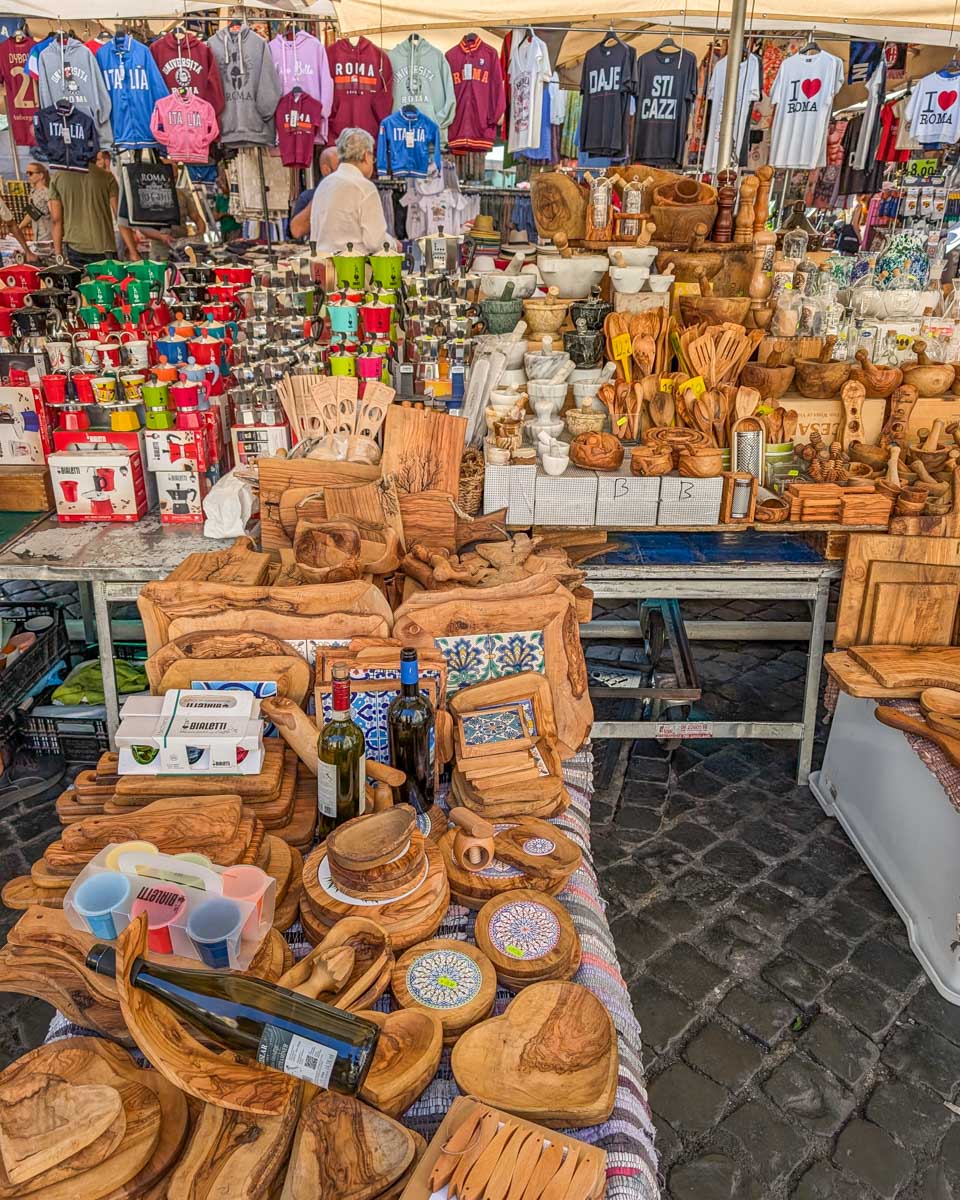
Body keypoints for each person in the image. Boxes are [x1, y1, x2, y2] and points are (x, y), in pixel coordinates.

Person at [290, 128, 388, 251]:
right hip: (355, 266)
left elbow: (315, 235)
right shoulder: (365, 188)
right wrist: (393, 243)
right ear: (366, 156)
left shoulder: (324, 185)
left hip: (323, 264)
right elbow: (376, 242)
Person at [48, 162, 119, 267]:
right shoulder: (106, 176)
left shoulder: (57, 177)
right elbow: (118, 214)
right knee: (108, 282)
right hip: (105, 246)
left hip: (75, 246)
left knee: (81, 282)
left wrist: (59, 254)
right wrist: (132, 248)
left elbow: (56, 220)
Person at [118, 188, 206, 261]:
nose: (174, 179)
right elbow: (142, 227)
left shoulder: (182, 194)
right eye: (172, 176)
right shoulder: (151, 195)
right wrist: (161, 236)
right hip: (160, 252)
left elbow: (197, 218)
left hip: (183, 251)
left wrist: (200, 232)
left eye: (176, 177)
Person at [290, 146, 339, 228]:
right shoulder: (308, 197)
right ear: (326, 170)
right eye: (339, 166)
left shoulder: (355, 192)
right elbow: (296, 232)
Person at [20, 161, 51, 249]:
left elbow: (55, 215)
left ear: (41, 175)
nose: (28, 176)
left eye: (30, 173)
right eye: (27, 173)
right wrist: (19, 228)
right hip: (37, 235)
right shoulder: (32, 192)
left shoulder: (47, 193)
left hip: (48, 236)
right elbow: (31, 213)